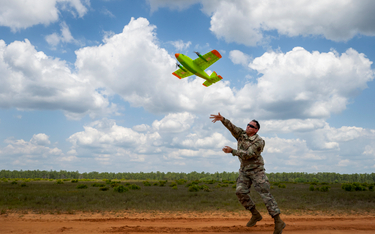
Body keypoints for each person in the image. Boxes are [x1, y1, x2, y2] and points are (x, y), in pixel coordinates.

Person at [210, 112, 286, 234]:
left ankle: (278, 221)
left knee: (265, 195)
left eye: (251, 126)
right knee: (240, 191)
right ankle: (255, 214)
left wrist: (232, 151)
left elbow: (249, 154)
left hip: (257, 171)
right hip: (244, 171)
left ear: (256, 130)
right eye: (248, 124)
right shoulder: (241, 134)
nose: (248, 127)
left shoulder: (259, 141)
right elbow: (232, 127)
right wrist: (222, 119)